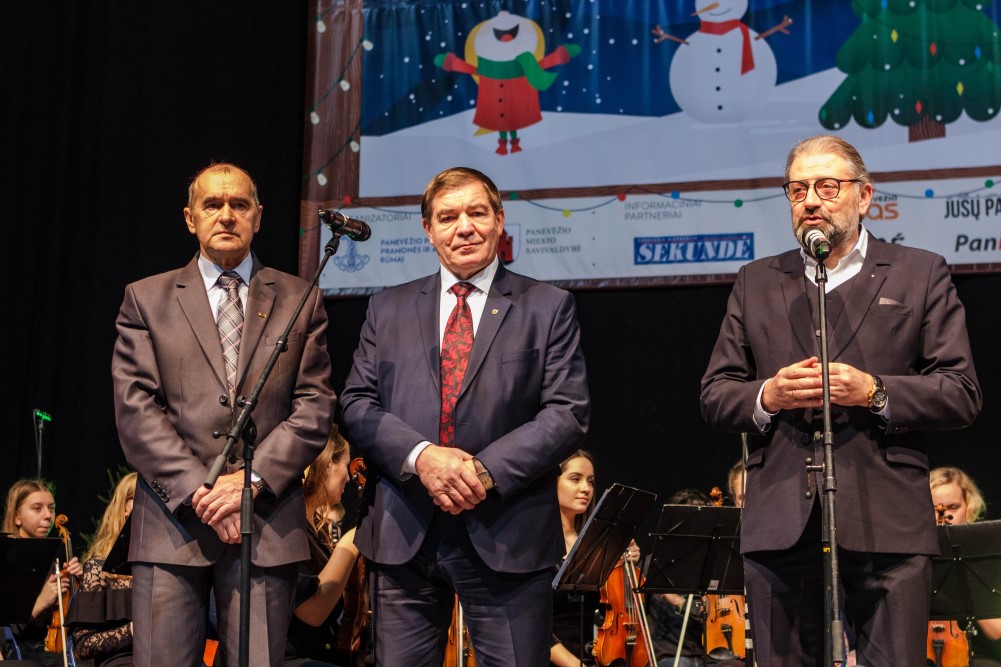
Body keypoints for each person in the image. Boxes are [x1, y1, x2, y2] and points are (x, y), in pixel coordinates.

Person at [700, 135, 982, 667]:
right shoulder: (756, 282)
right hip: (781, 523)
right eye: (798, 189)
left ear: (864, 195)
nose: (811, 200)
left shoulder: (919, 273)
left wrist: (875, 392)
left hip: (887, 521)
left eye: (827, 186)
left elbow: (961, 392)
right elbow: (716, 395)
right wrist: (768, 395)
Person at [339, 166, 590, 666]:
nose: (464, 227)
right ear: (428, 229)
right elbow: (356, 404)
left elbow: (567, 413)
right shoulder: (387, 308)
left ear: (499, 220)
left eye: (477, 213)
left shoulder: (547, 306)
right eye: (448, 217)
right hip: (404, 534)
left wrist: (482, 471)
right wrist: (423, 458)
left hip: (507, 531)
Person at [112, 162, 335, 667]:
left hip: (266, 527)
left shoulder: (301, 298)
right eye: (212, 204)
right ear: (190, 218)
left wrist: (249, 484)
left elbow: (315, 405)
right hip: (171, 525)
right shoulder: (145, 298)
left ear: (259, 216)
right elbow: (136, 410)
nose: (227, 215)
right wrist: (202, 491)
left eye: (239, 204)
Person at [285, 425, 361, 666]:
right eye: (345, 465)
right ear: (328, 464)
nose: (349, 477)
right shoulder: (288, 527)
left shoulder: (313, 529)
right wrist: (353, 541)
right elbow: (311, 613)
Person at [2, 479, 83, 667]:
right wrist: (41, 603)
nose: (48, 516)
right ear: (17, 517)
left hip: (50, 652)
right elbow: (6, 627)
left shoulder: (54, 561)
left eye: (51, 508)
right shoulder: (6, 559)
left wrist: (78, 586)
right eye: (37, 508)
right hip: (19, 653)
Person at [929, 466, 1001, 667]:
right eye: (935, 508)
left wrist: (961, 570)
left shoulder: (985, 555)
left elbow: (996, 631)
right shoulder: (915, 557)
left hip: (979, 656)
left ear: (968, 507)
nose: (944, 516)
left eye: (953, 507)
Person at [65, 472, 137, 667]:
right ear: (124, 507)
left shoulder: (166, 568)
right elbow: (83, 645)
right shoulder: (98, 568)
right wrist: (132, 631)